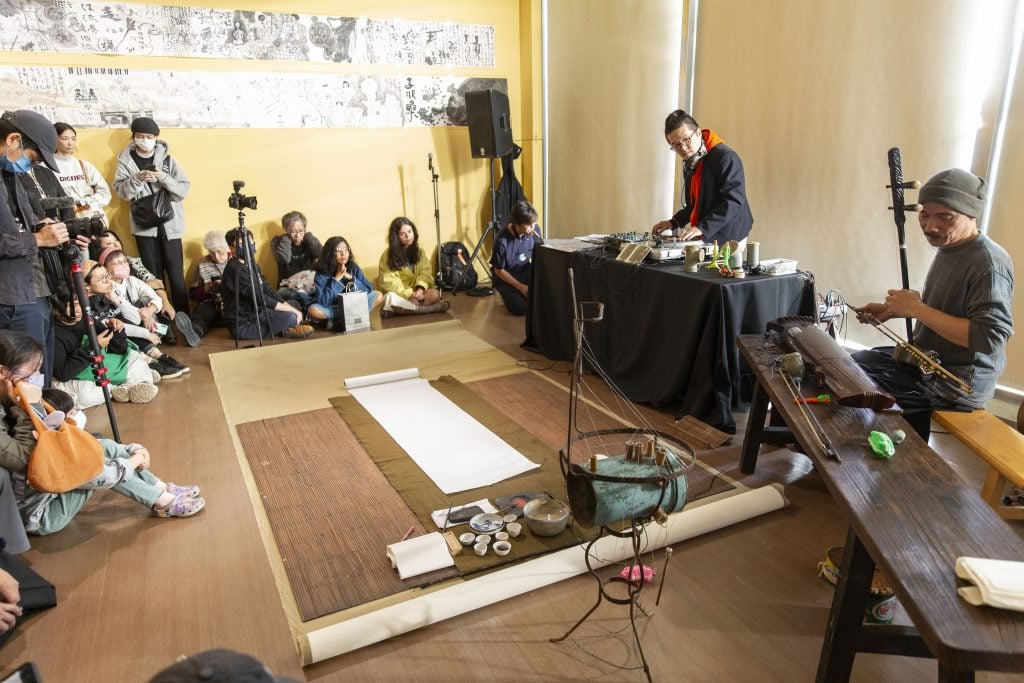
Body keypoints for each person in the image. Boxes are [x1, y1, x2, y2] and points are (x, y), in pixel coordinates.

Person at [853, 169, 1014, 440]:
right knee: (851, 364)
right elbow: (948, 309)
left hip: (956, 382)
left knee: (859, 388)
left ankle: (903, 468)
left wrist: (917, 309)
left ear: (972, 215)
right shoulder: (952, 247)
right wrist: (894, 310)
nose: (930, 226)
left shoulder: (987, 263)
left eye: (945, 217)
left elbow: (990, 338)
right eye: (925, 214)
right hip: (924, 362)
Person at [0, 330, 204, 534]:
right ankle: (162, 502)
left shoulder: (13, 397)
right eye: (32, 371)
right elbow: (28, 457)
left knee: (100, 446)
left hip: (45, 488)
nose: (38, 377)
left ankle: (159, 488)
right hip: (39, 515)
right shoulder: (22, 401)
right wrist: (133, 461)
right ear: (3, 372)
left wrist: (132, 451)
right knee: (88, 464)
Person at [0, 110, 70, 382]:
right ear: (14, 139)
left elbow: (20, 221)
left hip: (36, 289)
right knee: (23, 377)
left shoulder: (10, 175)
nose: (31, 167)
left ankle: (45, 420)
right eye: (33, 159)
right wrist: (38, 239)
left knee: (42, 369)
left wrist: (43, 227)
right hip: (12, 297)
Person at [113, 117, 191, 314]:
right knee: (153, 276)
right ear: (134, 137)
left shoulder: (168, 160)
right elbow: (122, 192)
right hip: (144, 226)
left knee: (176, 275)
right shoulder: (125, 162)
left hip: (170, 225)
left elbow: (182, 190)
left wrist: (162, 177)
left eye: (149, 137)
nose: (145, 140)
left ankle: (183, 318)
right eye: (140, 136)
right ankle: (161, 321)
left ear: (156, 138)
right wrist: (137, 178)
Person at [651, 110, 753, 247]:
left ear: (698, 133)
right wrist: (673, 222)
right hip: (707, 234)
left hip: (731, 235)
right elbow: (694, 206)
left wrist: (702, 227)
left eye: (686, 139)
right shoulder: (690, 162)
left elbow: (733, 202)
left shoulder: (726, 157)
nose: (683, 148)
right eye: (675, 145)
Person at [89, 228, 197, 344]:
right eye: (109, 243)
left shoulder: (131, 264)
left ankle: (166, 330)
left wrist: (161, 305)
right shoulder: (101, 279)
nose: (115, 244)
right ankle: (154, 334)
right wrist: (143, 313)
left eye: (116, 240)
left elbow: (156, 283)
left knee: (147, 296)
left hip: (141, 303)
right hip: (125, 316)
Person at [221, 229, 313, 340]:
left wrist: (290, 307)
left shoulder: (251, 264)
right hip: (244, 324)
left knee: (293, 303)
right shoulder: (234, 270)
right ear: (232, 249)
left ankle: (287, 327)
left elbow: (267, 289)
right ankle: (287, 327)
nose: (247, 246)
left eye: (249, 242)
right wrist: (292, 311)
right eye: (241, 244)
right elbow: (260, 298)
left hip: (259, 313)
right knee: (290, 316)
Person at [377, 217, 449, 316]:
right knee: (389, 298)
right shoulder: (387, 256)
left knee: (434, 294)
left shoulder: (420, 252)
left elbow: (425, 272)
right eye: (402, 234)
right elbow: (390, 283)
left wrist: (420, 290)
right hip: (400, 295)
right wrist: (410, 295)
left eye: (410, 231)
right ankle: (431, 309)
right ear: (396, 237)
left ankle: (406, 310)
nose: (408, 236)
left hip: (418, 295)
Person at [308, 236, 381, 332]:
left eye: (346, 250)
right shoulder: (321, 273)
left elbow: (368, 289)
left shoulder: (353, 267)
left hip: (353, 305)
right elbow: (323, 302)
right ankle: (350, 317)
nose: (343, 254)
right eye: (338, 250)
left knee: (378, 295)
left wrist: (351, 278)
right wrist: (336, 280)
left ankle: (341, 320)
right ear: (330, 253)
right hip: (334, 308)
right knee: (313, 310)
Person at [490, 200, 543, 316]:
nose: (533, 227)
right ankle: (501, 293)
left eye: (534, 223)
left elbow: (540, 253)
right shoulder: (501, 241)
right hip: (506, 276)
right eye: (529, 225)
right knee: (520, 308)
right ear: (517, 224)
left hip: (524, 270)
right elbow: (498, 270)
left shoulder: (534, 230)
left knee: (546, 296)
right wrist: (521, 287)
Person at [52, 122, 112, 224]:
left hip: (92, 219)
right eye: (64, 139)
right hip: (64, 221)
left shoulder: (83, 165)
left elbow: (105, 194)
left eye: (73, 139)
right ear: (54, 139)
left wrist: (87, 201)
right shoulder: (46, 167)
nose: (70, 143)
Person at [271, 210, 321, 309]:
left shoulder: (308, 240)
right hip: (287, 286)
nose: (297, 235)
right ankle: (310, 306)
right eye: (293, 232)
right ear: (286, 230)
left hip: (308, 285)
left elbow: (320, 253)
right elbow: (284, 258)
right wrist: (286, 238)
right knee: (285, 296)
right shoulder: (277, 241)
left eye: (300, 230)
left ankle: (310, 307)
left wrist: (308, 236)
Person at [187, 230, 231, 339]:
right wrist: (205, 290)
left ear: (227, 247)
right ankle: (193, 333)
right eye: (211, 252)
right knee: (202, 313)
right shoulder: (203, 263)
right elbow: (192, 293)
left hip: (233, 303)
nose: (216, 256)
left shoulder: (237, 260)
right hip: (212, 305)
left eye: (219, 251)